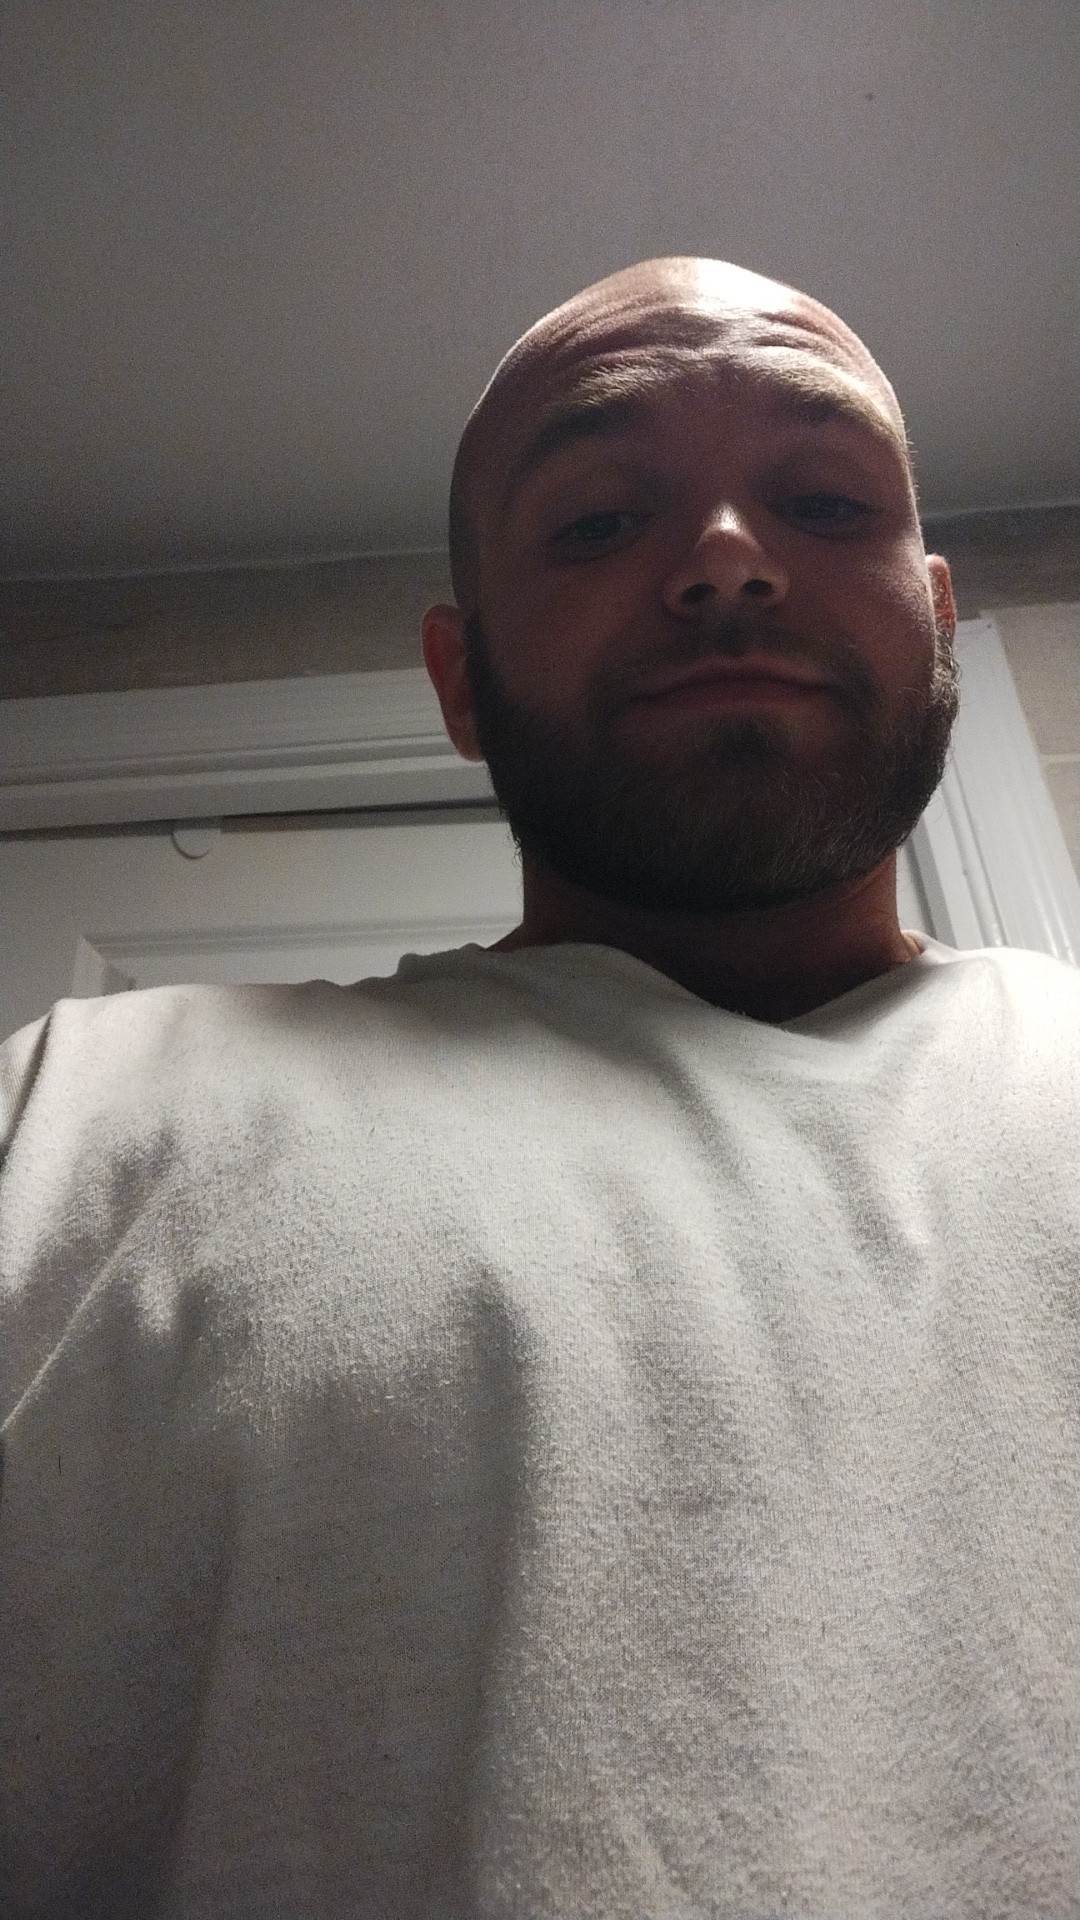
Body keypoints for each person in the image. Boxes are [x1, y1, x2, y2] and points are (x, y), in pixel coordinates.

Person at [1, 258, 1076, 1919]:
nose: (728, 556)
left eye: (820, 499)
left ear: (938, 617)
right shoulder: (75, 1125)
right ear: (460, 678)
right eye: (596, 521)